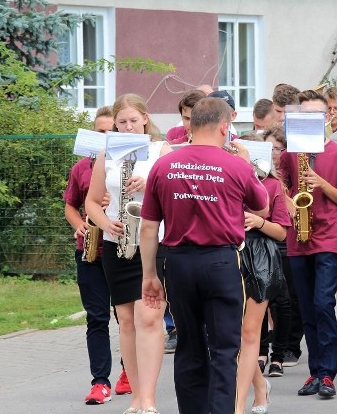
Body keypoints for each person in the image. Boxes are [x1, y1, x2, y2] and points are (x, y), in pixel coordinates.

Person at [138, 98, 269, 414]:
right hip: (221, 263)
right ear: (225, 126)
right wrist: (247, 163)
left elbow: (148, 227)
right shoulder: (236, 164)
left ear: (191, 123)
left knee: (188, 346)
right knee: (224, 349)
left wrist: (149, 276)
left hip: (178, 263)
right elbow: (262, 206)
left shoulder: (164, 165)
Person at [84, 94, 172, 414]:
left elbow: (176, 194)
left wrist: (149, 182)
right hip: (117, 244)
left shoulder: (161, 150)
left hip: (154, 242)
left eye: (133, 120)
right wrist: (106, 222)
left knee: (149, 318)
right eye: (122, 122)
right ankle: (136, 396)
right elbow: (92, 201)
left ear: (145, 118)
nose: (128, 126)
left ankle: (148, 397)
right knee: (126, 322)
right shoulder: (107, 153)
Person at [280, 90, 337, 398]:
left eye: (316, 115)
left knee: (324, 303)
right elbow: (281, 188)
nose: (310, 121)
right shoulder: (288, 154)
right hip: (299, 236)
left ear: (328, 118)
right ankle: (314, 372)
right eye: (304, 116)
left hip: (329, 235)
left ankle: (328, 373)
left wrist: (322, 185)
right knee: (308, 307)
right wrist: (289, 203)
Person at [64, 107, 129, 405]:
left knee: (127, 317)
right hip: (90, 250)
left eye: (110, 132)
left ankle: (129, 372)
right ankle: (100, 382)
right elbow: (71, 205)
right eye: (100, 132)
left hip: (122, 249)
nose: (105, 137)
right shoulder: (80, 168)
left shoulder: (130, 164)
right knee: (97, 318)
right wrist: (79, 223)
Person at [234, 134, 291, 414]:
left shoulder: (271, 184)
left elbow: (281, 231)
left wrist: (258, 221)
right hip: (229, 254)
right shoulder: (225, 178)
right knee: (233, 334)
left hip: (259, 258)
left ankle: (237, 405)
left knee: (248, 331)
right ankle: (260, 387)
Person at [260, 125, 302, 377]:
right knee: (259, 302)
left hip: (284, 242)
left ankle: (282, 351)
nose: (274, 153)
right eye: (269, 148)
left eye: (278, 148)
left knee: (283, 301)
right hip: (257, 242)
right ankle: (262, 351)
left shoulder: (285, 175)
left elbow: (294, 212)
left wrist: (280, 189)